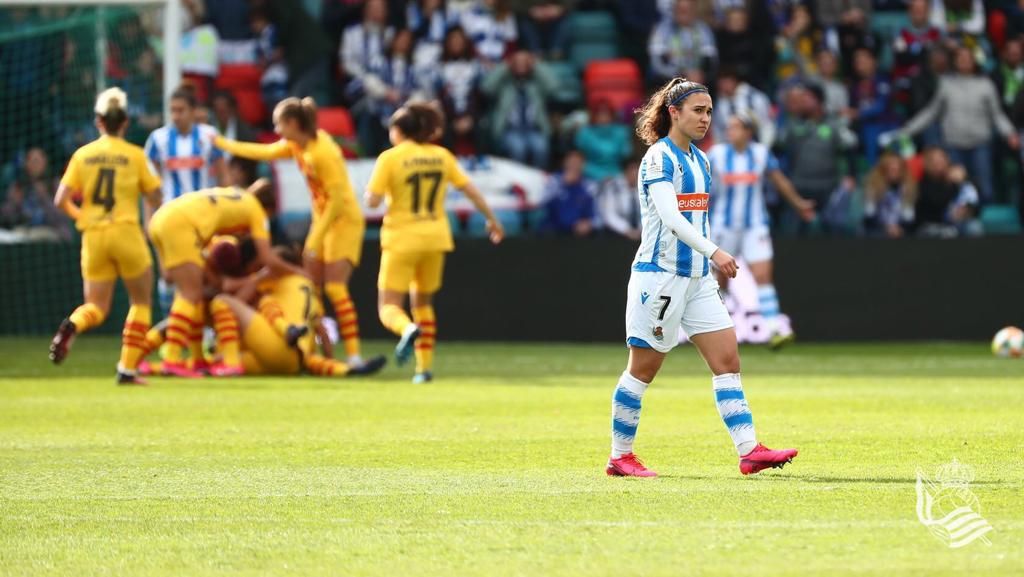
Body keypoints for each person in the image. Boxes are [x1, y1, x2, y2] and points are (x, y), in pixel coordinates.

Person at [606, 77, 798, 478]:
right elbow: (672, 218)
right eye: (698, 110)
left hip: (697, 278)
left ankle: (749, 451)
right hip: (660, 277)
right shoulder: (659, 159)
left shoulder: (701, 159)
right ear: (673, 112)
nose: (706, 118)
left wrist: (707, 261)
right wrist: (716, 251)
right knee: (643, 369)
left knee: (727, 359)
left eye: (709, 111)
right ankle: (620, 456)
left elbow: (698, 218)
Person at [213, 97, 371, 370]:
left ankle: (355, 355)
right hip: (323, 222)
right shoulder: (297, 145)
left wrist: (315, 238)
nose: (276, 130)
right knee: (313, 288)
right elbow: (264, 152)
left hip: (344, 223)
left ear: (293, 123)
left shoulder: (324, 152)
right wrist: (222, 144)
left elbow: (335, 201)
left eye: (279, 123)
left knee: (335, 287)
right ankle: (321, 350)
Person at [365, 103, 504, 383]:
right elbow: (470, 190)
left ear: (400, 131)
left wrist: (373, 193)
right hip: (435, 237)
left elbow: (373, 201)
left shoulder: (390, 158)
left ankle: (406, 330)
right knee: (424, 303)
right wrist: (492, 220)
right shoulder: (441, 156)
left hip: (401, 238)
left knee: (388, 306)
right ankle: (423, 368)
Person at [49, 87, 163, 385]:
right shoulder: (136, 155)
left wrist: (82, 217)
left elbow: (60, 200)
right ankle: (127, 369)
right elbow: (156, 195)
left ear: (98, 121)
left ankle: (73, 324)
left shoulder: (82, 155)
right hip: (126, 232)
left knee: (96, 307)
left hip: (94, 236)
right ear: (125, 121)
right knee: (141, 302)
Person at [147, 180, 304, 376]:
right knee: (192, 296)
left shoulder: (234, 196)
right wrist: (299, 272)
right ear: (269, 209)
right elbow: (268, 258)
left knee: (191, 297)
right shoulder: (255, 212)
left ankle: (143, 358)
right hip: (181, 225)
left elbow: (178, 274)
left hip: (161, 217)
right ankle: (172, 359)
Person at [709, 114, 816, 348]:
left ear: (749, 132)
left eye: (736, 127)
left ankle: (774, 329)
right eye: (729, 127)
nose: (731, 132)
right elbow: (702, 185)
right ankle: (719, 330)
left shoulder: (760, 153)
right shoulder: (716, 155)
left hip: (754, 225)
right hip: (722, 226)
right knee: (721, 280)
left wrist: (799, 205)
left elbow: (780, 181)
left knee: (762, 276)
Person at [212, 246, 387, 377]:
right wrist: (330, 357)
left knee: (224, 301)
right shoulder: (309, 289)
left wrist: (260, 276)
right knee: (307, 356)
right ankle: (344, 369)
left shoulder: (278, 280)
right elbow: (323, 332)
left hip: (278, 346)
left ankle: (232, 363)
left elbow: (235, 298)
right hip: (295, 363)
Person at [883, 46, 1019, 202]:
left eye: (967, 58)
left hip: (980, 145)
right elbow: (931, 112)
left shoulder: (986, 85)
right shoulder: (946, 84)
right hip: (953, 145)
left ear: (974, 61)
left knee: (984, 188)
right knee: (955, 190)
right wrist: (907, 130)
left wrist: (1010, 133)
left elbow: (997, 115)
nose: (964, 61)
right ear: (954, 61)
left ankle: (983, 223)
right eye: (960, 58)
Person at [542, 150, 597, 237]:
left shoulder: (590, 185)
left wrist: (589, 224)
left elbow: (597, 211)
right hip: (554, 228)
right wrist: (563, 183)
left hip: (581, 230)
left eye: (577, 162)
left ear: (583, 165)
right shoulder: (554, 180)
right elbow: (542, 202)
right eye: (571, 162)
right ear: (564, 163)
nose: (574, 165)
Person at [597, 157, 643, 241]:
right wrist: (627, 230)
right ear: (625, 171)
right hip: (615, 236)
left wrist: (640, 230)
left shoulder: (647, 188)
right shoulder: (612, 186)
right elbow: (609, 215)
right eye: (633, 169)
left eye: (639, 169)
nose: (637, 173)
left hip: (641, 235)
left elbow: (649, 214)